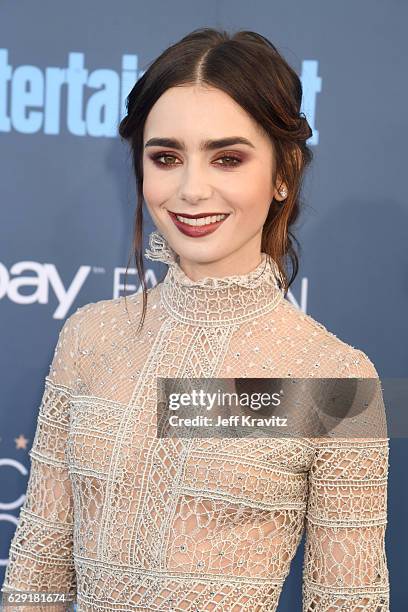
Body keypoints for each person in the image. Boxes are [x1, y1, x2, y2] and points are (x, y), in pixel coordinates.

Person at [1, 27, 389, 611]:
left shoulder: (337, 381)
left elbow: (348, 601)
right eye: (166, 157)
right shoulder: (90, 336)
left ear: (284, 173)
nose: (191, 189)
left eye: (227, 158)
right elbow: (39, 576)